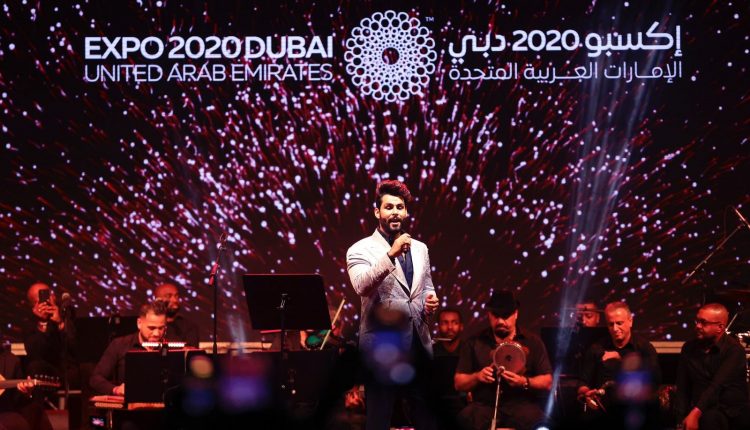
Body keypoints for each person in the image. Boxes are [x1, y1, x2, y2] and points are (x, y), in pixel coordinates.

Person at [346, 180, 439, 430]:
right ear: (377, 212)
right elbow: (361, 286)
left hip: (417, 344)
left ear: (406, 212)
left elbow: (426, 285)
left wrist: (430, 300)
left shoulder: (420, 249)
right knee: (379, 418)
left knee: (426, 418)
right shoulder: (360, 249)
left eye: (400, 207)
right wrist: (390, 255)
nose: (395, 212)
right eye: (389, 207)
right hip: (382, 348)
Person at [454, 289, 552, 430]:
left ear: (516, 314)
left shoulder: (532, 342)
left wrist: (523, 381)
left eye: (506, 316)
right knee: (463, 419)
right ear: (489, 314)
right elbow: (458, 383)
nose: (500, 321)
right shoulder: (474, 343)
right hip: (484, 407)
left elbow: (547, 381)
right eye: (495, 315)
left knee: (543, 425)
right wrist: (478, 376)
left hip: (522, 407)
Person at [576, 301, 661, 423]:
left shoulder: (644, 348)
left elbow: (655, 381)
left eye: (619, 323)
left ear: (630, 321)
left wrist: (621, 360)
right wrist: (587, 393)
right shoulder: (596, 349)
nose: (615, 329)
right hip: (603, 416)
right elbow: (583, 383)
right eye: (611, 324)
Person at [675, 303, 750, 430]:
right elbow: (683, 386)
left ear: (720, 327)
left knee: (710, 419)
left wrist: (695, 413)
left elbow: (716, 386)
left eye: (703, 323)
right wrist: (680, 419)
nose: (698, 326)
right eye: (697, 321)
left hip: (730, 411)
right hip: (702, 408)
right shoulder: (688, 348)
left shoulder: (734, 350)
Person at [89, 301, 168, 396]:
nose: (156, 334)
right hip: (128, 403)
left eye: (161, 328)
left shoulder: (171, 348)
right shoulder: (120, 345)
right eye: (151, 328)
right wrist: (116, 390)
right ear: (139, 323)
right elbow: (95, 379)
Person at [153, 283, 200, 347]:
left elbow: (191, 350)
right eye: (168, 296)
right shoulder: (148, 324)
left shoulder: (189, 327)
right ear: (157, 299)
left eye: (176, 296)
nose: (175, 300)